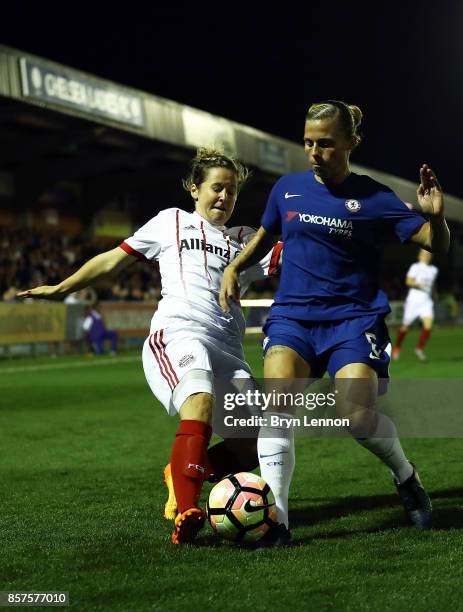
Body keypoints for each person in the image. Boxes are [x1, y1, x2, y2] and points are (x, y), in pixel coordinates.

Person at [18, 147, 282, 545]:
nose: (224, 198)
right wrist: (61, 287)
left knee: (255, 439)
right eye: (216, 188)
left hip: (228, 347)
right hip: (180, 332)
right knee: (200, 400)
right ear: (195, 189)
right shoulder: (170, 222)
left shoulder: (245, 240)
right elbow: (111, 260)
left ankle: (182, 471)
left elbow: (303, 253)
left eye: (232, 191)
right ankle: (189, 511)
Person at [220, 100, 449, 546]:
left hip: (353, 321)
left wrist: (436, 217)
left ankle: (406, 476)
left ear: (350, 143)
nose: (313, 151)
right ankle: (278, 522)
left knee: (356, 415)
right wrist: (234, 266)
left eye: (324, 143)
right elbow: (267, 233)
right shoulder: (287, 189)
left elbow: (435, 245)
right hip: (293, 319)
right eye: (308, 142)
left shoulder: (376, 197)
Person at [392, 249, 439, 361]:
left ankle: (419, 349)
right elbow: (408, 281)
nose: (426, 255)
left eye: (428, 254)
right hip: (414, 300)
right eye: (423, 254)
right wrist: (419, 284)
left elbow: (432, 285)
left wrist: (435, 294)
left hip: (426, 301)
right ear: (420, 255)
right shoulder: (415, 267)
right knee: (405, 326)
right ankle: (397, 347)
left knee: (428, 325)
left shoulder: (433, 270)